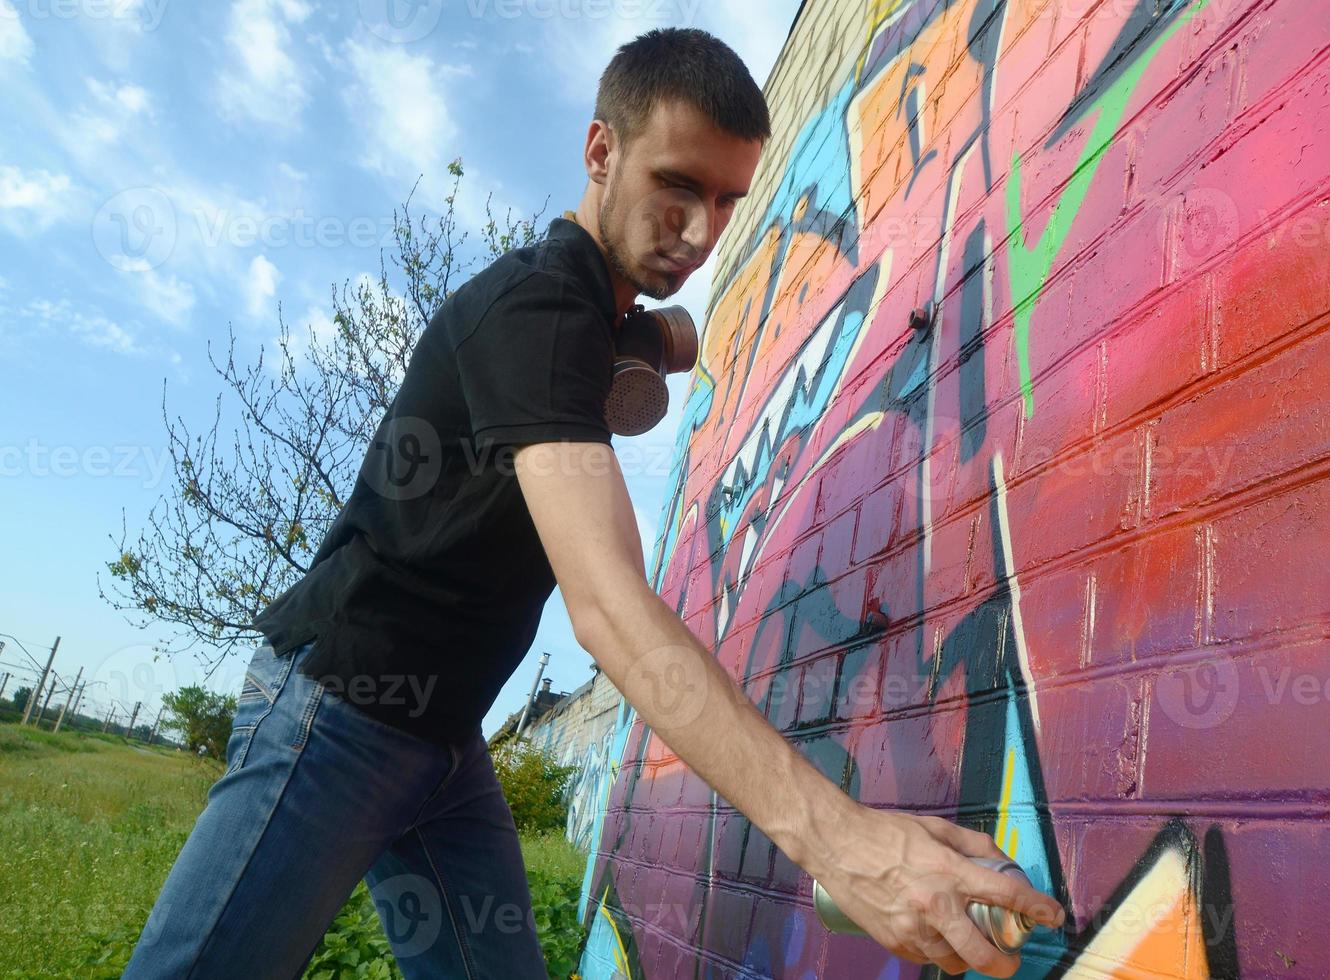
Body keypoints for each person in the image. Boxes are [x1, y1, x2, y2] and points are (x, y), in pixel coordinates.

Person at [122, 27, 1063, 980]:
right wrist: (843, 842)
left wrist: (669, 339)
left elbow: (675, 334)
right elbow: (608, 607)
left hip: (446, 745)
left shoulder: (604, 322)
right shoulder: (534, 312)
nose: (700, 235)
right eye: (677, 187)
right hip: (337, 711)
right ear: (600, 151)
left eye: (728, 201)